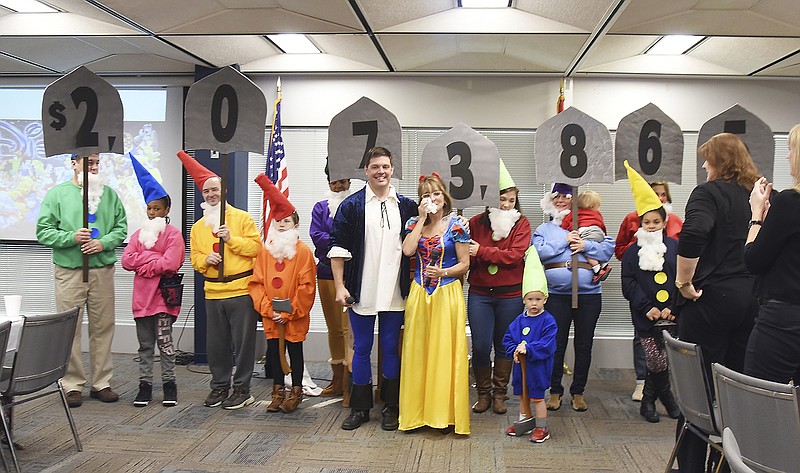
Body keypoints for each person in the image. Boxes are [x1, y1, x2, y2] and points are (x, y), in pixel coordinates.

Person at [675, 133, 760, 472]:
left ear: (720, 162)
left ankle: (693, 466)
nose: (703, 164)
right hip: (752, 303)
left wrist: (684, 279)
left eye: (708, 158)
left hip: (711, 301)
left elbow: (694, 233)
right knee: (736, 394)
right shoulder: (758, 197)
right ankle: (728, 465)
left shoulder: (707, 193)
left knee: (697, 395)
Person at [329, 146, 417, 431]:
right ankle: (360, 408)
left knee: (391, 349)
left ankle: (391, 407)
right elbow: (338, 250)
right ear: (366, 171)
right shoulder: (352, 206)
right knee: (362, 348)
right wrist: (340, 286)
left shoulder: (407, 206)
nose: (381, 171)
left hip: (395, 290)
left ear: (392, 170)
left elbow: (421, 241)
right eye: (375, 167)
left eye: (386, 167)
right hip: (361, 289)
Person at [36, 153, 127, 407]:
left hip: (102, 270)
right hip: (70, 271)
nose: (94, 167)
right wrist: (71, 237)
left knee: (103, 326)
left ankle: (102, 382)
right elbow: (43, 231)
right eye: (89, 162)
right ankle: (72, 384)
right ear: (74, 163)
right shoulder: (57, 195)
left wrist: (103, 243)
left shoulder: (109, 194)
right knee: (70, 328)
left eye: (97, 162)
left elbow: (121, 228)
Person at [179, 151, 262, 410]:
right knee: (216, 345)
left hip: (239, 290)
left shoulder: (242, 218)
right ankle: (219, 386)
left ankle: (242, 389)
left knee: (243, 343)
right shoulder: (198, 227)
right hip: (213, 292)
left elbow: (255, 249)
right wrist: (206, 261)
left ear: (223, 191)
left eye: (215, 190)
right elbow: (194, 259)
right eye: (207, 192)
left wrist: (231, 240)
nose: (211, 195)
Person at [399, 173, 471, 435]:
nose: (432, 198)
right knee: (418, 351)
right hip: (419, 294)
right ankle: (416, 414)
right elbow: (407, 251)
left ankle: (442, 415)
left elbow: (465, 263)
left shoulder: (458, 226)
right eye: (427, 195)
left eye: (436, 193)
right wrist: (420, 218)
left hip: (446, 293)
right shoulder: (412, 223)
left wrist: (444, 273)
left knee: (443, 352)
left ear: (445, 196)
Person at [532, 183, 614, 412]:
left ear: (574, 200)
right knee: (555, 345)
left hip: (589, 296)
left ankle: (578, 392)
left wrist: (585, 243)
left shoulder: (591, 222)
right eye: (556, 197)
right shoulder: (545, 229)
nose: (560, 201)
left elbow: (607, 249)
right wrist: (565, 239)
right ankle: (555, 391)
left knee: (584, 344)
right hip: (557, 296)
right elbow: (539, 252)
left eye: (565, 197)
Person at [467, 160, 531, 415]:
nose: (505, 205)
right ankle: (483, 393)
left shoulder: (522, 224)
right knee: (481, 345)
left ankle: (499, 394)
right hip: (480, 294)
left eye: (511, 200)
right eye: (501, 199)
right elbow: (467, 258)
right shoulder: (475, 223)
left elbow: (514, 256)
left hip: (510, 295)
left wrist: (482, 251)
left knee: (505, 344)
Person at [121, 154, 185, 407]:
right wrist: (152, 259)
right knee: (145, 347)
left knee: (166, 345)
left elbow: (171, 263)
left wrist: (144, 261)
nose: (152, 212)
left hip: (162, 302)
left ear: (166, 210)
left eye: (157, 208)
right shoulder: (138, 234)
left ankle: (170, 386)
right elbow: (127, 260)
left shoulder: (173, 234)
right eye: (149, 208)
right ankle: (144, 386)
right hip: (141, 302)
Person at [249, 174, 316, 413]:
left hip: (293, 317)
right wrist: (269, 310)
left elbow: (307, 287)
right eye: (277, 221)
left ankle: (296, 391)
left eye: (286, 221)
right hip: (271, 316)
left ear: (295, 225)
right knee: (274, 355)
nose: (281, 225)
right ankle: (277, 392)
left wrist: (288, 313)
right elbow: (256, 283)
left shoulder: (303, 252)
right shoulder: (266, 252)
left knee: (295, 354)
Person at [619, 161, 680, 423]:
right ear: (640, 223)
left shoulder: (676, 247)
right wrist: (646, 306)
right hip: (646, 315)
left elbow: (683, 277)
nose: (652, 225)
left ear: (664, 222)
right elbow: (628, 283)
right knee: (654, 360)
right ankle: (662, 396)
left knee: (667, 359)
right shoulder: (633, 251)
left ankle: (653, 399)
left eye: (656, 221)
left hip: (672, 313)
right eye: (647, 222)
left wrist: (673, 306)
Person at [743, 123, 800, 384]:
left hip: (783, 319)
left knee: (760, 401)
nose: (787, 155)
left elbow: (753, 260)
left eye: (791, 149)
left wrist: (756, 216)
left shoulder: (790, 202)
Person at [502, 247, 557, 443]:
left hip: (537, 368)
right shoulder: (519, 320)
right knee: (522, 396)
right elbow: (508, 338)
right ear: (524, 300)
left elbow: (547, 343)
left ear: (545, 299)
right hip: (520, 367)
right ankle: (525, 422)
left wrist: (529, 348)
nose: (534, 303)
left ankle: (542, 427)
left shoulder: (548, 321)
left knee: (537, 397)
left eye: (538, 299)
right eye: (530, 299)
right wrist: (514, 351)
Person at [309, 161, 352, 399]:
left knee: (348, 330)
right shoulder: (320, 208)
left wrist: (337, 242)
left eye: (342, 182)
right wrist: (340, 243)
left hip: (351, 275)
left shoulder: (357, 206)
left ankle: (348, 379)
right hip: (326, 273)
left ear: (349, 183)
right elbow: (317, 236)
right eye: (334, 182)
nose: (338, 186)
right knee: (334, 328)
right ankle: (336, 379)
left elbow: (359, 237)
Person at [560, 189, 612, 283]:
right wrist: (603, 235)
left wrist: (565, 229)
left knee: (582, 248)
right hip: (598, 232)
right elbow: (602, 225)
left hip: (586, 232)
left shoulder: (575, 213)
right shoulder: (597, 214)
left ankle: (596, 268)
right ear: (592, 206)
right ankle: (604, 264)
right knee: (593, 247)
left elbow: (567, 224)